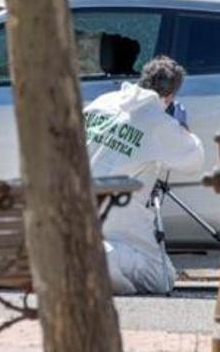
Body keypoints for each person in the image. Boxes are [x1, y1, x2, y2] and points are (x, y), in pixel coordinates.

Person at [84, 55, 204, 294]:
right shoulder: (159, 122)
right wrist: (180, 126)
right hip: (118, 215)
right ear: (170, 97)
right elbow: (195, 161)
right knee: (161, 278)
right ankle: (97, 255)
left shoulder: (103, 101)